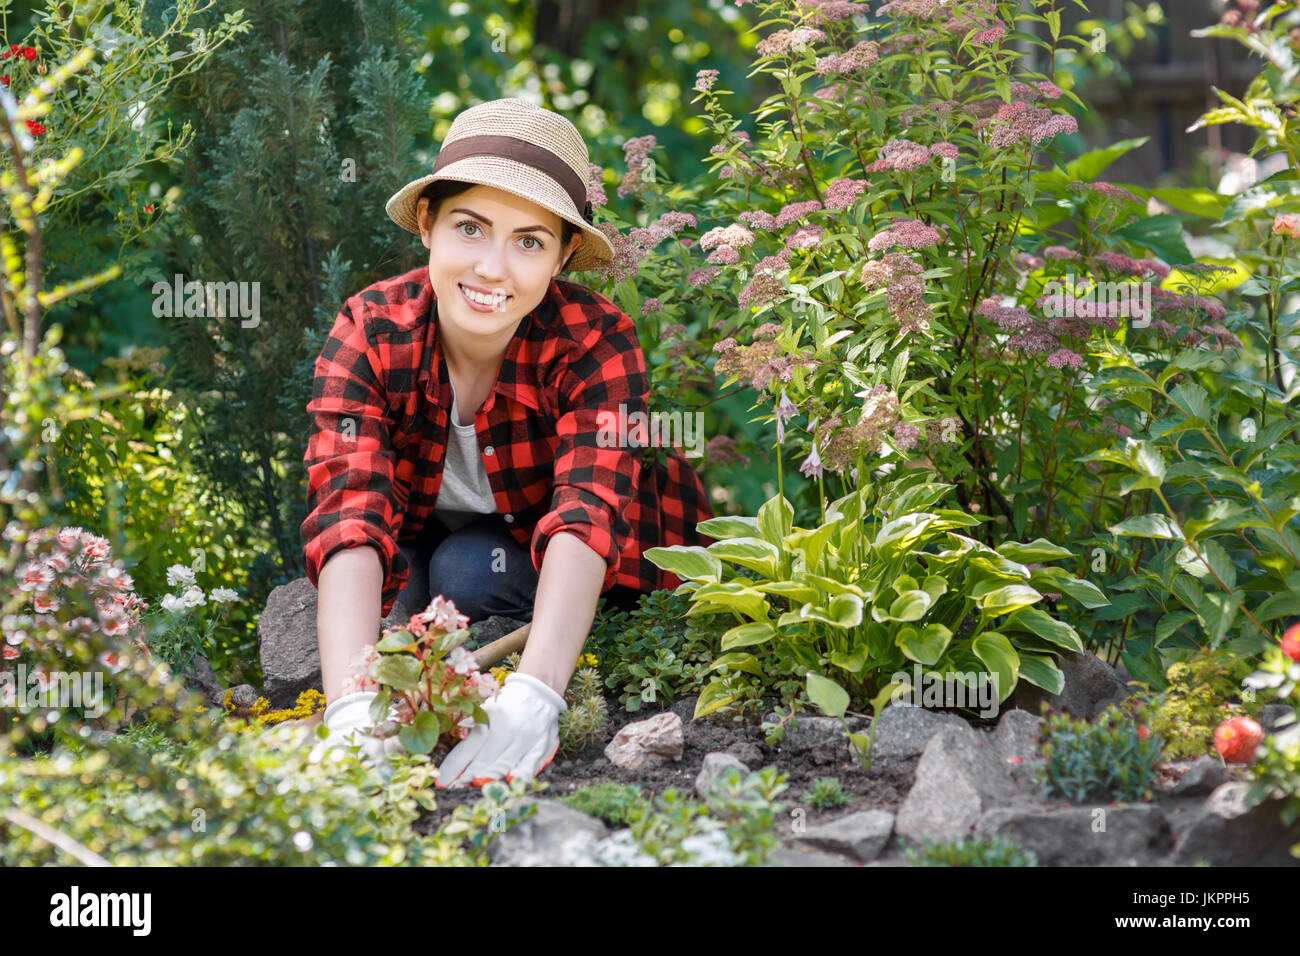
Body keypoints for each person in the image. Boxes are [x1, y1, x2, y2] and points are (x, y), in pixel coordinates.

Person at [298, 98, 714, 787]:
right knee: (389, 593)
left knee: (464, 573)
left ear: (563, 254)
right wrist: (347, 707)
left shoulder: (594, 340)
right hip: (430, 527)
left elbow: (587, 511)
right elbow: (350, 510)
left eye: (529, 241)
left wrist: (538, 693)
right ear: (428, 223)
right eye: (471, 227)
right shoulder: (371, 331)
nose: (493, 269)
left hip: (580, 555)